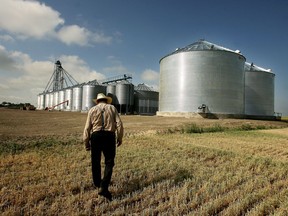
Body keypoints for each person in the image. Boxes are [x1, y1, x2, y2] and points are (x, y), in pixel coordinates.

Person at [83, 93, 124, 200]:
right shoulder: (112, 108)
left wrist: (86, 142)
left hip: (96, 136)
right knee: (109, 162)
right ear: (106, 100)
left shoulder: (92, 110)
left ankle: (98, 184)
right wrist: (119, 138)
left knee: (95, 161)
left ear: (97, 101)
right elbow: (119, 124)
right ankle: (104, 187)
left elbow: (87, 128)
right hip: (109, 136)